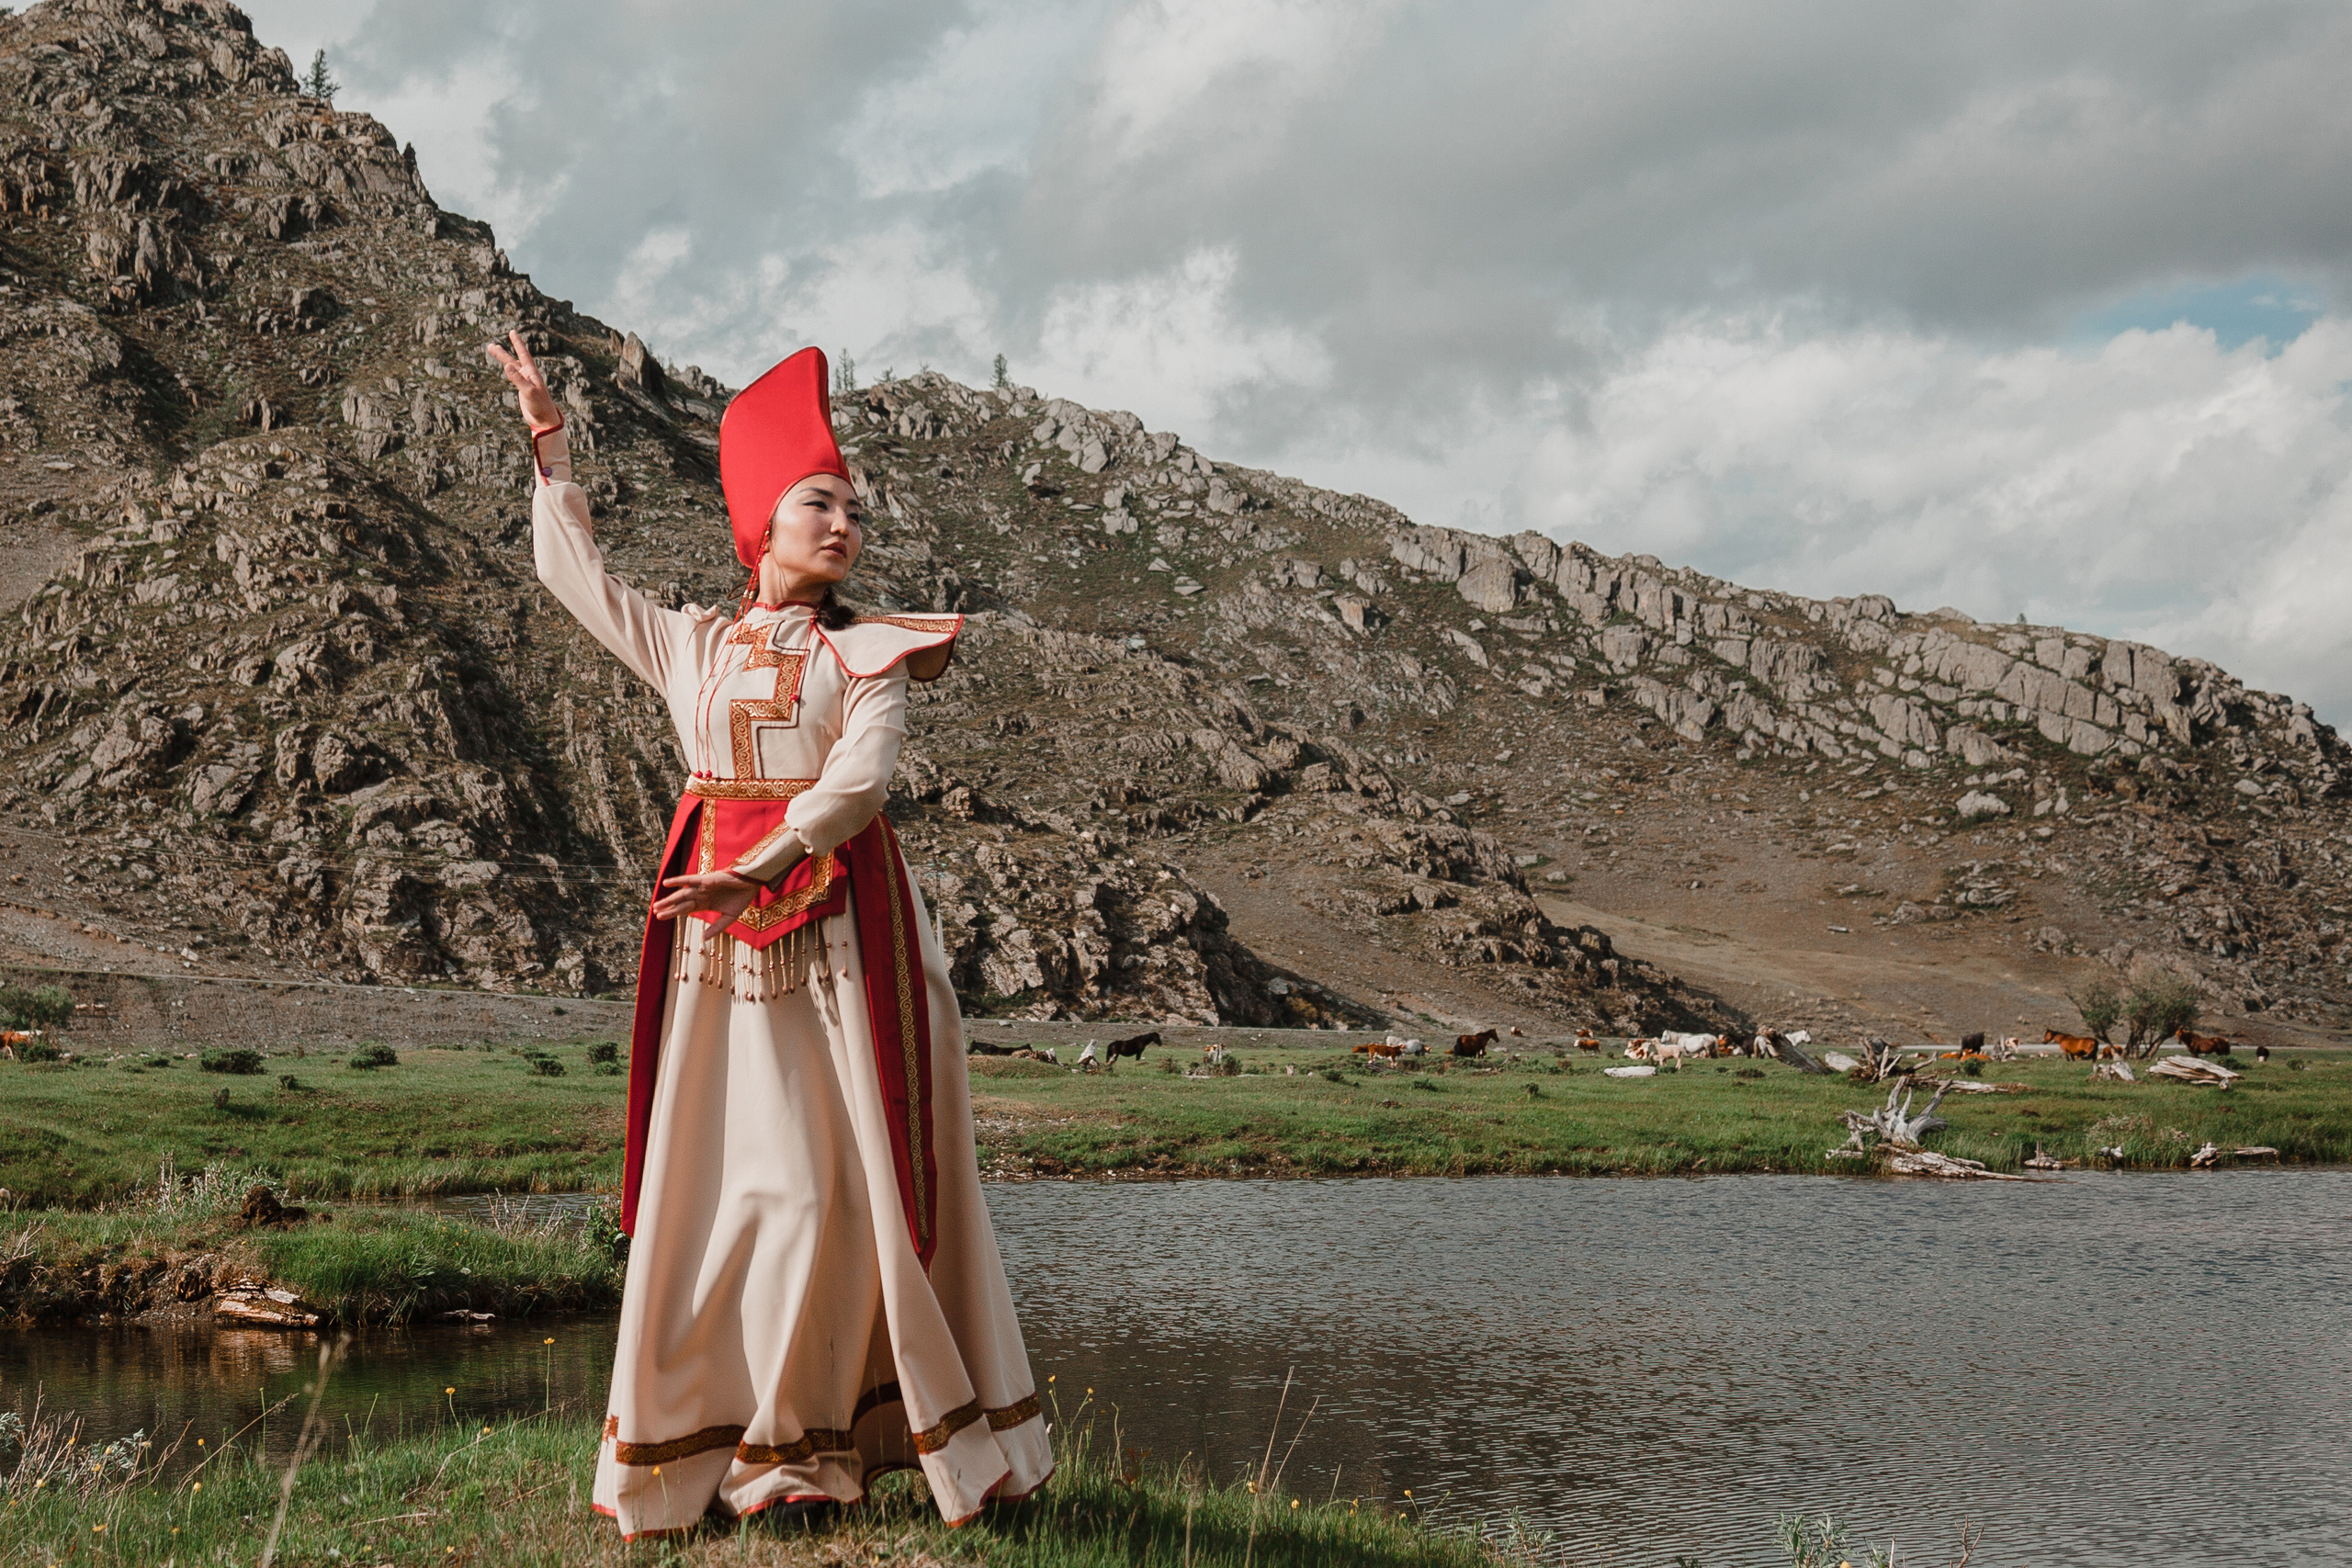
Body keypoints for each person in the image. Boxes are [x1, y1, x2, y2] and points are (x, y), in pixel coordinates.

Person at [487, 331, 1049, 1539]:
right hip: (713, 954)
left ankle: (807, 1463)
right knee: (718, 1195)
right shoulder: (693, 644)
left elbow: (861, 783)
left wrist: (764, 862)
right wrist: (549, 443)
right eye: (817, 502)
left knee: (823, 1193)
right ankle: (722, 1452)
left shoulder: (870, 652)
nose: (842, 524)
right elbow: (577, 577)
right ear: (762, 525)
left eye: (850, 507)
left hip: (840, 942)